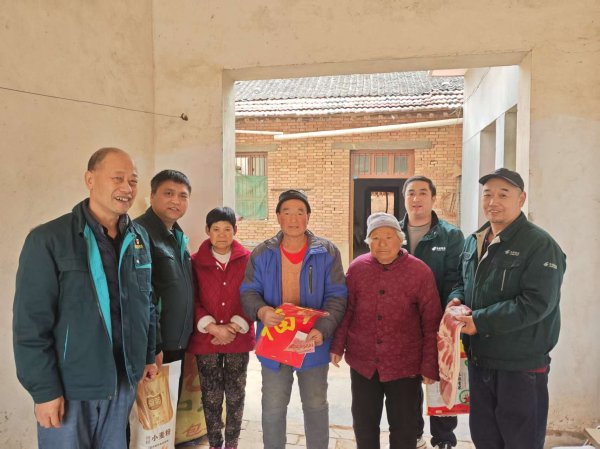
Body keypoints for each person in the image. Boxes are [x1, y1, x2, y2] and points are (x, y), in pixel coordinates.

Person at [13, 147, 157, 449]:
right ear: (90, 180)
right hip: (71, 388)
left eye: (133, 181)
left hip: (122, 382)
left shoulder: (139, 238)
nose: (127, 188)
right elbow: (31, 324)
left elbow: (147, 303)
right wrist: (44, 391)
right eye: (117, 178)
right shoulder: (49, 239)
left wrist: (147, 356)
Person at [449, 168, 566, 449]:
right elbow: (461, 281)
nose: (493, 202)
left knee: (520, 442)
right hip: (480, 361)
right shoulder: (474, 240)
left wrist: (480, 321)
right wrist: (456, 300)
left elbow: (537, 303)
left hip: (520, 367)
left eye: (503, 194)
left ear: (521, 199)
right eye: (487, 194)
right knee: (485, 439)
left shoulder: (540, 245)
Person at [241, 189, 347, 449]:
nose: (293, 218)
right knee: (273, 407)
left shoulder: (327, 252)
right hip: (275, 342)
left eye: (300, 212)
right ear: (278, 217)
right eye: (287, 212)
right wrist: (262, 311)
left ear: (308, 217)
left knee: (315, 405)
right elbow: (249, 291)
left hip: (312, 341)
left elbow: (337, 296)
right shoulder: (262, 253)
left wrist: (322, 329)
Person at [331, 212, 442, 449]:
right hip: (363, 362)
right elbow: (347, 310)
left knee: (404, 428)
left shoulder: (419, 272)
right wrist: (337, 346)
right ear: (368, 242)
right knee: (364, 424)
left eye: (388, 237)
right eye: (375, 238)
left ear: (400, 239)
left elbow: (431, 321)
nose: (382, 244)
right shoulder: (357, 268)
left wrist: (429, 364)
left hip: (405, 365)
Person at [399, 175, 464, 449]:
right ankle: (414, 436)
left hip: (438, 324)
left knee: (440, 381)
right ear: (404, 198)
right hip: (402, 325)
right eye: (411, 193)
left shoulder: (451, 236)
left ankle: (444, 440)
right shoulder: (393, 233)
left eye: (423, 193)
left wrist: (453, 302)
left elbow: (457, 278)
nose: (416, 198)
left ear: (433, 198)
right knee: (407, 386)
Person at [187, 207, 254, 449]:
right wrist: (213, 328)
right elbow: (191, 298)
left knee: (236, 394)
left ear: (235, 231)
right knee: (211, 395)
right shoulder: (194, 261)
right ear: (207, 231)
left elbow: (255, 295)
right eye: (216, 229)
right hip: (206, 339)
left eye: (227, 229)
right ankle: (215, 443)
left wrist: (234, 326)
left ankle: (232, 443)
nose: (222, 234)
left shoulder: (249, 260)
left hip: (238, 338)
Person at [135, 170, 194, 367]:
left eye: (183, 196)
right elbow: (141, 296)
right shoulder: (139, 234)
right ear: (152, 196)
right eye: (168, 193)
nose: (176, 201)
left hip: (178, 342)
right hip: (157, 348)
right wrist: (153, 346)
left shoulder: (177, 235)